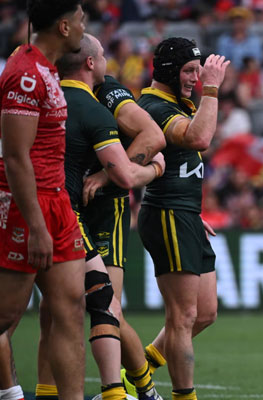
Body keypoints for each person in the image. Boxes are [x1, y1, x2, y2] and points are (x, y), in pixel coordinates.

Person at [53, 33, 166, 400]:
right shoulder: (83, 103)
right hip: (70, 209)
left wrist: (104, 175)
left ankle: (139, 389)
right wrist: (154, 171)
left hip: (104, 208)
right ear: (89, 62)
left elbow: (152, 136)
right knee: (87, 307)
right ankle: (124, 390)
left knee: (106, 305)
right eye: (101, 56)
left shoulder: (109, 93)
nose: (107, 63)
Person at [0, 1, 86, 399]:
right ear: (65, 26)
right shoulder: (26, 76)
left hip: (57, 201)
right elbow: (15, 157)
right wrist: (36, 226)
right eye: (82, 19)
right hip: (27, 206)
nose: (86, 27)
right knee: (5, 317)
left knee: (71, 308)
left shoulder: (42, 67)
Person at [136, 37, 229, 400]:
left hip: (186, 214)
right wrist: (212, 88)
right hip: (167, 215)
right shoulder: (154, 107)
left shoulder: (176, 102)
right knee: (183, 316)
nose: (195, 77)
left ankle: (138, 368)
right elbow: (199, 137)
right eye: (189, 70)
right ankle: (182, 395)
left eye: (198, 70)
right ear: (169, 72)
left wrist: (192, 210)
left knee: (204, 313)